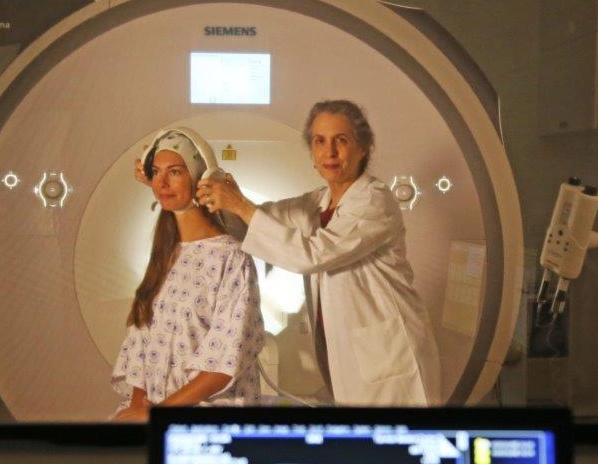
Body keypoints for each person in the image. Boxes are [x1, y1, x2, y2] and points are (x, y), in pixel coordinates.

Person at [195, 100, 441, 405]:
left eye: (341, 140)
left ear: (363, 148)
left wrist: (240, 205)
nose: (330, 152)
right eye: (319, 141)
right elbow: (250, 223)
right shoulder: (317, 202)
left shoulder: (374, 201)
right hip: (351, 357)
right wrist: (207, 185)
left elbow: (311, 255)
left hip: (393, 360)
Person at [111, 130, 264, 422]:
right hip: (157, 411)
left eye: (175, 172)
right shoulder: (165, 254)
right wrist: (139, 406)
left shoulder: (232, 258)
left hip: (206, 417)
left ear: (199, 181)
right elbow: (142, 344)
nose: (162, 183)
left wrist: (156, 416)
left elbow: (223, 364)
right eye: (156, 172)